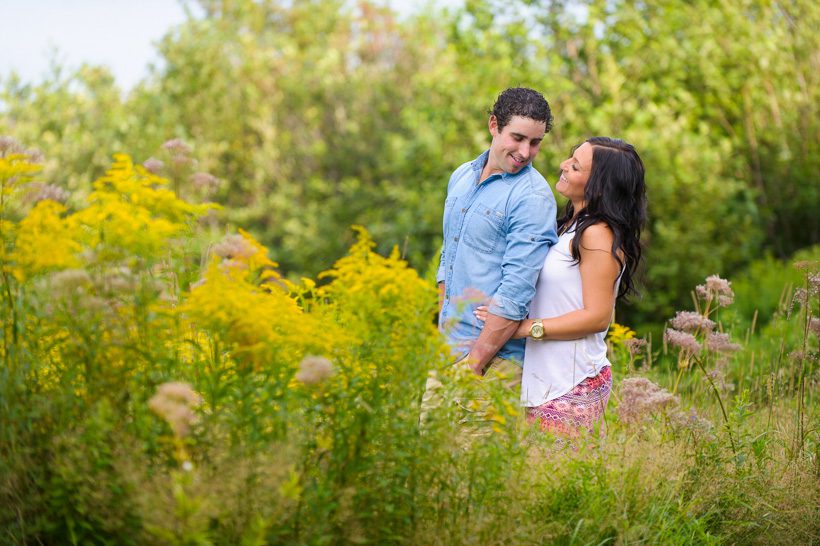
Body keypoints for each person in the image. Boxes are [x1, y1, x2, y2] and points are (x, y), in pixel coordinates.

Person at [475, 137, 647, 436]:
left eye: (575, 166)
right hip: (547, 380)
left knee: (549, 477)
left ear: (598, 186)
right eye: (570, 158)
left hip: (572, 383)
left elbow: (597, 317)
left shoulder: (597, 236)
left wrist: (524, 327)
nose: (562, 165)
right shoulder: (571, 226)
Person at [422, 88, 558, 425]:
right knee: (429, 470)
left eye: (535, 142)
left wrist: (474, 364)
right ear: (494, 124)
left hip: (492, 363)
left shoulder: (532, 198)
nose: (526, 152)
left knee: (472, 474)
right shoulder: (462, 176)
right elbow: (447, 259)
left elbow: (516, 292)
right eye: (518, 138)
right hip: (447, 353)